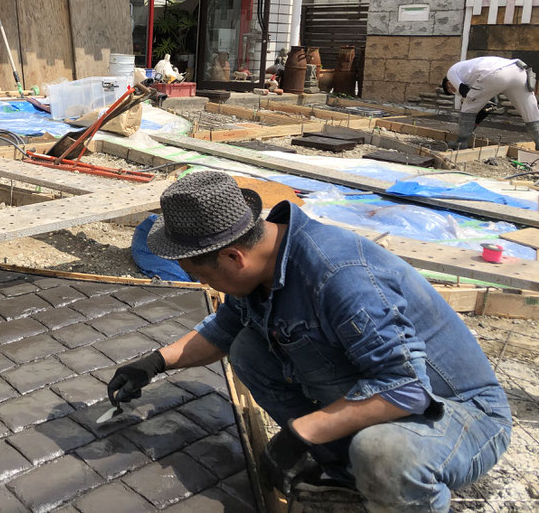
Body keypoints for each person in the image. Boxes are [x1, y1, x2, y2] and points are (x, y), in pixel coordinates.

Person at [106, 171, 511, 512]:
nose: (202, 283)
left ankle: (387, 478)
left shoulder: (339, 276)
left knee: (384, 455)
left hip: (460, 415)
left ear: (233, 257)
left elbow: (407, 387)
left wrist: (301, 433)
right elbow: (224, 328)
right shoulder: (264, 264)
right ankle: (345, 473)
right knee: (247, 348)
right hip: (388, 390)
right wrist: (155, 362)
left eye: (201, 275)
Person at [442, 55, 539, 149]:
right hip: (518, 71)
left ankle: (460, 143)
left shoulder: (451, 73)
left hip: (494, 73)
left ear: (449, 84)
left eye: (453, 91)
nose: (456, 93)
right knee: (531, 112)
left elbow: (465, 92)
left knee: (468, 108)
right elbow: (490, 104)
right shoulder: (467, 71)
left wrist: (467, 117)